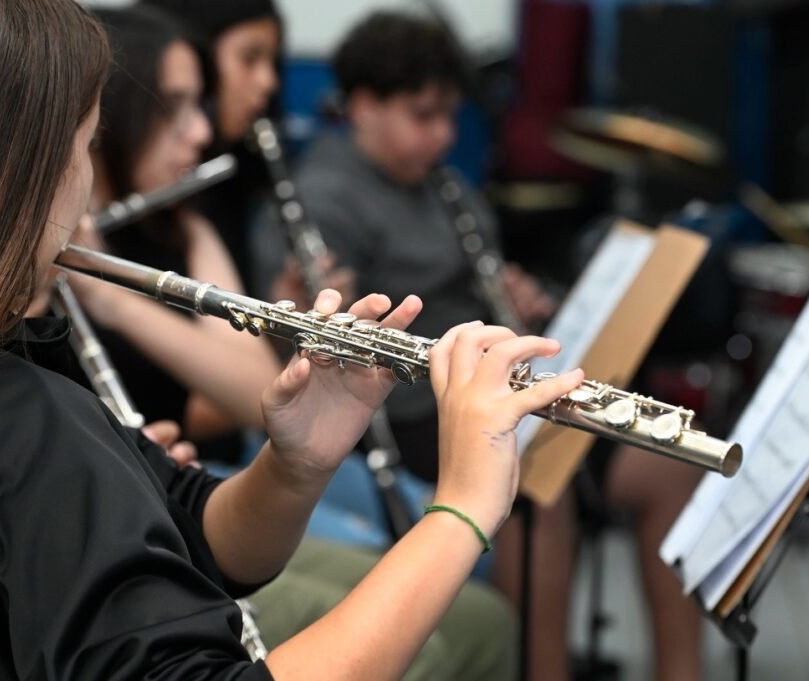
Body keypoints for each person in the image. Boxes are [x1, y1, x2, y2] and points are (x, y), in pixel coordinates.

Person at [0, 2, 592, 679]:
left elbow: (200, 532)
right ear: (26, 175)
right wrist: (462, 507)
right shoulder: (24, 424)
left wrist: (297, 464)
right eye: (87, 145)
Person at [65, 7, 518, 680]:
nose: (200, 131)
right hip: (145, 508)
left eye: (199, 104)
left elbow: (250, 389)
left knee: (481, 612)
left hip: (197, 486)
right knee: (415, 627)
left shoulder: (184, 227)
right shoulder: (41, 277)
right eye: (176, 108)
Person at [252, 11, 705, 681]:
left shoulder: (446, 186)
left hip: (495, 387)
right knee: (538, 492)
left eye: (449, 116)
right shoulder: (322, 196)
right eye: (423, 115)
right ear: (363, 106)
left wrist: (513, 299)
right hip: (412, 410)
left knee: (670, 472)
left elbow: (475, 284)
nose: (443, 135)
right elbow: (300, 336)